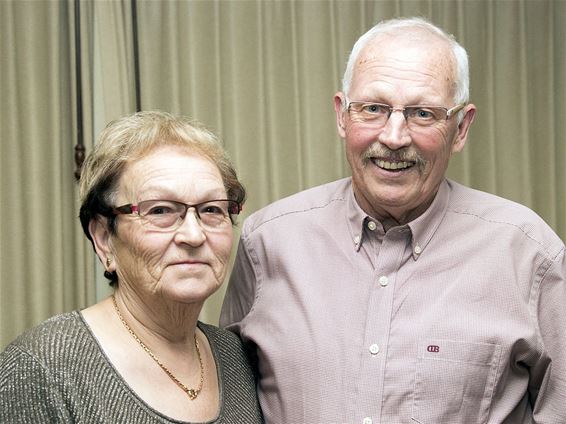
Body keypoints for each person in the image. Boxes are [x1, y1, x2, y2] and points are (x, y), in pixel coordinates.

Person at [220, 17, 566, 423]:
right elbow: (230, 404)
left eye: (422, 113)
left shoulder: (527, 254)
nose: (394, 137)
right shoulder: (267, 243)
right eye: (373, 109)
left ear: (460, 128)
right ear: (341, 116)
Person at [0, 111, 263, 423]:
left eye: (211, 209)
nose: (194, 234)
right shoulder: (44, 367)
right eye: (161, 210)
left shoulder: (238, 356)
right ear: (104, 239)